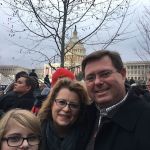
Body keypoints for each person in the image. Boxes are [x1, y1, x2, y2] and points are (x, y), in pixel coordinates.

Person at [81, 50, 150, 150]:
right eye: (90, 78)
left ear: (122, 74)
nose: (97, 82)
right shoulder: (81, 117)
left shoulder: (145, 120)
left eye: (105, 74)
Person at [38, 78, 90, 150]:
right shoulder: (35, 132)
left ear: (80, 110)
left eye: (73, 105)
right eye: (61, 102)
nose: (66, 109)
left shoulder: (89, 139)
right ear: (51, 103)